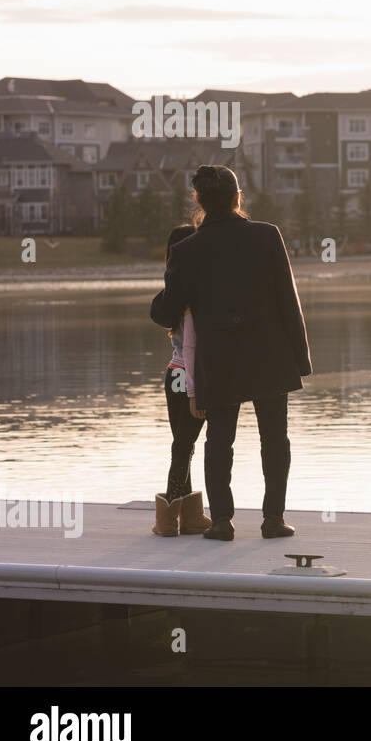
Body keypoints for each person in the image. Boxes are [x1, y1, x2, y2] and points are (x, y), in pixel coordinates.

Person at [150, 166, 312, 542]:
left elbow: (165, 312)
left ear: (198, 201)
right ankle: (273, 520)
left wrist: (167, 291)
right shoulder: (267, 235)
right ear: (239, 198)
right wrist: (300, 359)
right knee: (275, 439)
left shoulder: (187, 249)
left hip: (218, 360)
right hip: (270, 356)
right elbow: (289, 301)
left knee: (219, 440)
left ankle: (222, 521)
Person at [151, 223, 213, 537]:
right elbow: (191, 347)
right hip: (187, 377)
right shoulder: (195, 294)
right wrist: (195, 392)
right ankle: (168, 515)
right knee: (183, 446)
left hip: (173, 373)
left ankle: (188, 516)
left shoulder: (174, 291)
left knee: (182, 445)